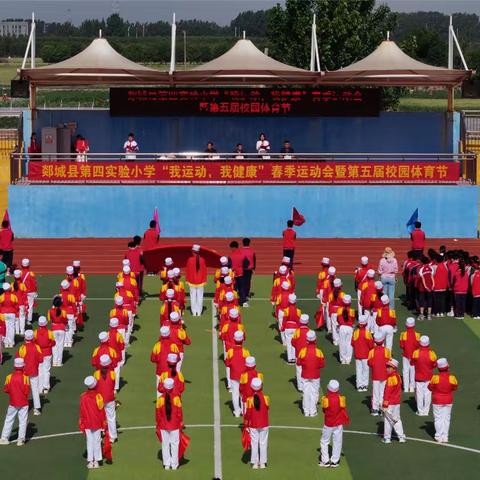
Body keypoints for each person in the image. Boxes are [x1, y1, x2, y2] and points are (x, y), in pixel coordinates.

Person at [319, 379, 349, 468]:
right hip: (338, 423)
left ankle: (325, 461)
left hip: (328, 423)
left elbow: (324, 410)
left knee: (324, 441)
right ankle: (335, 461)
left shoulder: (326, 399)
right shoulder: (341, 399)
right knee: (337, 441)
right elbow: (343, 409)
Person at [0, 358, 29, 446]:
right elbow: (27, 391)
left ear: (14, 366)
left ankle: (4, 438)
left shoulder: (9, 377)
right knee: (23, 420)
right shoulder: (25, 378)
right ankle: (20, 440)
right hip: (23, 402)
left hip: (13, 402)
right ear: (23, 366)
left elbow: (5, 389)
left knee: (9, 419)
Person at [156, 377, 183, 470]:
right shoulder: (176, 398)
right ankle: (174, 464)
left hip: (163, 425)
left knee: (165, 444)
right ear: (172, 387)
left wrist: (158, 424)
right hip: (174, 425)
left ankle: (166, 464)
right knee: (175, 444)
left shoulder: (160, 399)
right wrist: (180, 423)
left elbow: (158, 414)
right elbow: (179, 413)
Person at [428, 358, 458, 443]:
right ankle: (445, 437)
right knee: (446, 418)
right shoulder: (452, 378)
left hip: (437, 400)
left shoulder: (435, 378)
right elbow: (455, 387)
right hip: (448, 400)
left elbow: (430, 387)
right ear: (447, 367)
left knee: (438, 418)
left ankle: (438, 436)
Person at [79, 376, 105, 469]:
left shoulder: (83, 397)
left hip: (87, 422)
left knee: (89, 441)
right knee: (97, 441)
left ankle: (90, 461)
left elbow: (81, 411)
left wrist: (81, 422)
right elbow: (101, 410)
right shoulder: (99, 396)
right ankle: (97, 461)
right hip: (97, 422)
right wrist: (103, 424)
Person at [297, 330, 325, 417]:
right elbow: (322, 365)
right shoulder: (319, 352)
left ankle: (306, 411)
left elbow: (298, 362)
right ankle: (312, 411)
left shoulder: (302, 351)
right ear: (315, 340)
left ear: (307, 340)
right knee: (314, 393)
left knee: (306, 392)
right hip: (315, 375)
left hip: (305, 375)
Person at [244, 377, 269, 469]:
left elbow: (248, 414)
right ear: (261, 386)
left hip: (253, 424)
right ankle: (263, 463)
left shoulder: (249, 400)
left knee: (254, 443)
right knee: (263, 443)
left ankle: (254, 463)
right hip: (264, 423)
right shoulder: (266, 398)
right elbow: (266, 409)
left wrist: (246, 424)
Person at [16, 330, 43, 415]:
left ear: (25, 338)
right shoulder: (36, 347)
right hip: (34, 371)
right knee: (35, 390)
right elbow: (41, 359)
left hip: (24, 372)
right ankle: (37, 409)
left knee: (23, 390)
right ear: (33, 338)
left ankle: (23, 407)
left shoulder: (22, 348)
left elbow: (18, 360)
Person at [225, 331, 250, 417]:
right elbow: (249, 364)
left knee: (235, 393)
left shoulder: (230, 351)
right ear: (242, 340)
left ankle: (237, 412)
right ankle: (244, 411)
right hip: (243, 376)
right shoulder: (245, 352)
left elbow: (227, 363)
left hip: (233, 375)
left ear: (234, 340)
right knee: (244, 394)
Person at [411, 335, 437, 416]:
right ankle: (426, 411)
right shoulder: (432, 353)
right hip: (429, 377)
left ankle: (420, 411)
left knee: (419, 394)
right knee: (427, 394)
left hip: (418, 377)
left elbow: (412, 363)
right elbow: (434, 365)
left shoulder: (416, 353)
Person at [93, 355, 117, 443]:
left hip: (100, 398)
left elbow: (95, 386)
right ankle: (113, 436)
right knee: (111, 417)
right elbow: (113, 384)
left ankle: (100, 433)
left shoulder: (96, 374)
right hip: (110, 398)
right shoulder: (112, 373)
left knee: (99, 417)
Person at [382, 359, 406, 443]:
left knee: (388, 420)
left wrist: (385, 404)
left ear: (394, 368)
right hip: (397, 402)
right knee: (397, 419)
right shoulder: (398, 376)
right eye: (387, 367)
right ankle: (401, 437)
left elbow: (387, 392)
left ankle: (387, 438)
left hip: (390, 403)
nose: (387, 369)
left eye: (389, 367)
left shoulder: (391, 379)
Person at [368, 332, 391, 416]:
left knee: (375, 392)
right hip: (384, 374)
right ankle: (382, 409)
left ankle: (375, 409)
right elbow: (389, 362)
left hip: (375, 374)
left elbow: (369, 363)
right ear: (382, 341)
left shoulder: (372, 352)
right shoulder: (387, 351)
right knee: (383, 392)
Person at [351, 315, 374, 391]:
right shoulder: (368, 333)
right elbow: (371, 345)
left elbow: (352, 343)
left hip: (357, 355)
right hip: (366, 355)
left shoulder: (355, 332)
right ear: (366, 324)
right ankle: (364, 385)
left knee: (359, 370)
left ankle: (359, 386)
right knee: (365, 370)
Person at [34, 316, 55, 395]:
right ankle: (46, 387)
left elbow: (34, 342)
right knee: (46, 370)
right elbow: (53, 343)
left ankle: (40, 388)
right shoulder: (50, 332)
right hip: (47, 353)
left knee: (40, 370)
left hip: (39, 353)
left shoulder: (35, 332)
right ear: (46, 323)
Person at [185, 244, 207, 317]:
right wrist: (204, 280)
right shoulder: (202, 260)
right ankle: (199, 313)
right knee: (200, 297)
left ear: (193, 251)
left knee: (193, 297)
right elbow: (205, 271)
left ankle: (194, 313)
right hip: (200, 282)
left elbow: (187, 271)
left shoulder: (190, 260)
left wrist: (187, 280)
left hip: (192, 282)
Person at [48, 296, 68, 367]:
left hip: (54, 329)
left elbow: (49, 320)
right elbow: (66, 321)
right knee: (60, 346)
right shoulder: (64, 312)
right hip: (62, 329)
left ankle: (54, 362)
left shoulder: (50, 311)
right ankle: (59, 362)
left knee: (54, 346)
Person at [336, 295, 355, 365]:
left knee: (342, 343)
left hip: (342, 328)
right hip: (349, 328)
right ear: (350, 303)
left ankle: (342, 359)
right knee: (349, 344)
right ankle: (348, 360)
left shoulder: (339, 310)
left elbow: (338, 320)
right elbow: (352, 320)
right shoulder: (352, 311)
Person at [0, 282, 19, 348]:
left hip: (3, 314)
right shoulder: (13, 297)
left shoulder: (1, 297)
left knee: (5, 328)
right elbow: (16, 306)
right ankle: (11, 343)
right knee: (11, 328)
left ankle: (6, 343)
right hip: (12, 314)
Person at [416, 256, 434, 321]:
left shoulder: (421, 268)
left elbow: (422, 278)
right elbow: (432, 277)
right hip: (430, 287)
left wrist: (425, 286)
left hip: (422, 288)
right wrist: (432, 286)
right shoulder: (431, 268)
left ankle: (421, 315)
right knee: (429, 300)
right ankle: (429, 315)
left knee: (422, 300)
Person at [20, 258, 38, 326]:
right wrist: (35, 291)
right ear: (29, 265)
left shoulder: (20, 273)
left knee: (23, 305)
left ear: (21, 265)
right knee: (30, 306)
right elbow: (34, 283)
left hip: (22, 292)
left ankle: (22, 318)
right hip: (30, 292)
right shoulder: (31, 274)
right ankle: (29, 320)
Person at [228, 241, 246, 306]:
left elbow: (228, 265)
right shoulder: (243, 254)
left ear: (233, 247)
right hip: (241, 273)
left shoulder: (230, 256)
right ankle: (244, 301)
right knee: (242, 288)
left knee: (234, 289)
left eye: (231, 248)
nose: (231, 249)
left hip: (233, 274)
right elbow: (246, 263)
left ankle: (234, 302)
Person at [240, 238, 256, 305]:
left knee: (242, 282)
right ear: (249, 243)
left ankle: (242, 294)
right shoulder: (252, 251)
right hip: (249, 269)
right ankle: (246, 294)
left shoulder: (240, 251)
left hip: (242, 269)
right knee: (248, 282)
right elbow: (254, 259)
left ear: (243, 243)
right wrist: (254, 268)